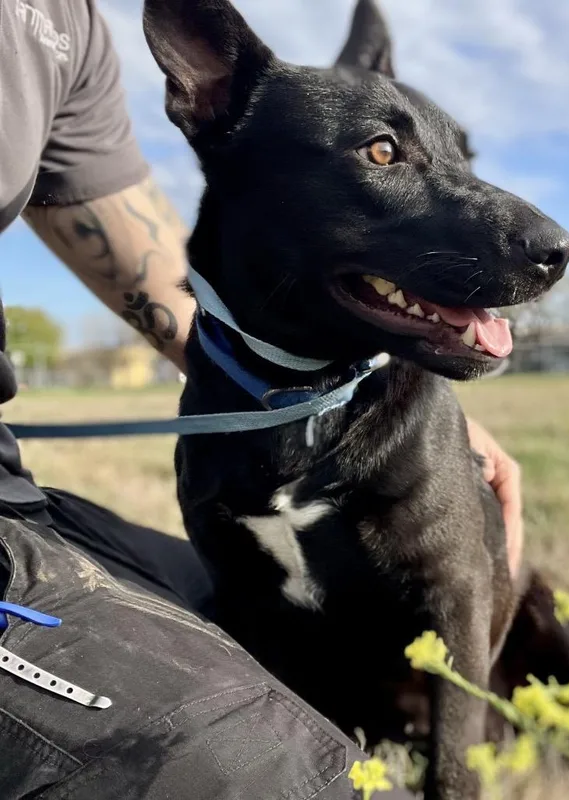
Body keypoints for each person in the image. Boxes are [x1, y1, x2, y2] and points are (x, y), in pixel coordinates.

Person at [0, 1, 523, 796]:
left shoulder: (58, 21)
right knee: (281, 770)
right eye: (387, 153)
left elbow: (144, 260)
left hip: (455, 652)